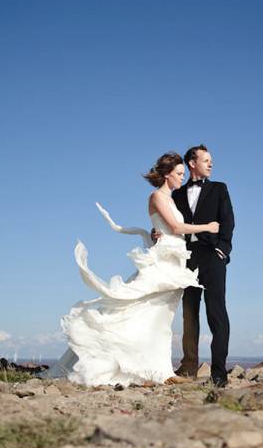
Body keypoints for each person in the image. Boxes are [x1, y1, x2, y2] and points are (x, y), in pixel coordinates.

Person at [53, 152, 219, 386]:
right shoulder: (156, 196)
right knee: (146, 309)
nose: (182, 178)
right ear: (167, 174)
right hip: (163, 261)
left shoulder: (170, 199)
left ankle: (160, 370)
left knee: (162, 317)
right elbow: (174, 226)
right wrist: (208, 227)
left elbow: (166, 228)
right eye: (179, 174)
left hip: (175, 259)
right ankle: (142, 368)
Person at [168, 144, 235, 388]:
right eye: (205, 160)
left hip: (212, 256)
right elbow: (171, 225)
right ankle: (189, 368)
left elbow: (228, 220)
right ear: (191, 163)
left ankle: (219, 372)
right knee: (189, 315)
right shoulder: (176, 195)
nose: (210, 164)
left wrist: (222, 250)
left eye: (211, 160)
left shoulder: (219, 189)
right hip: (187, 258)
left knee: (216, 314)